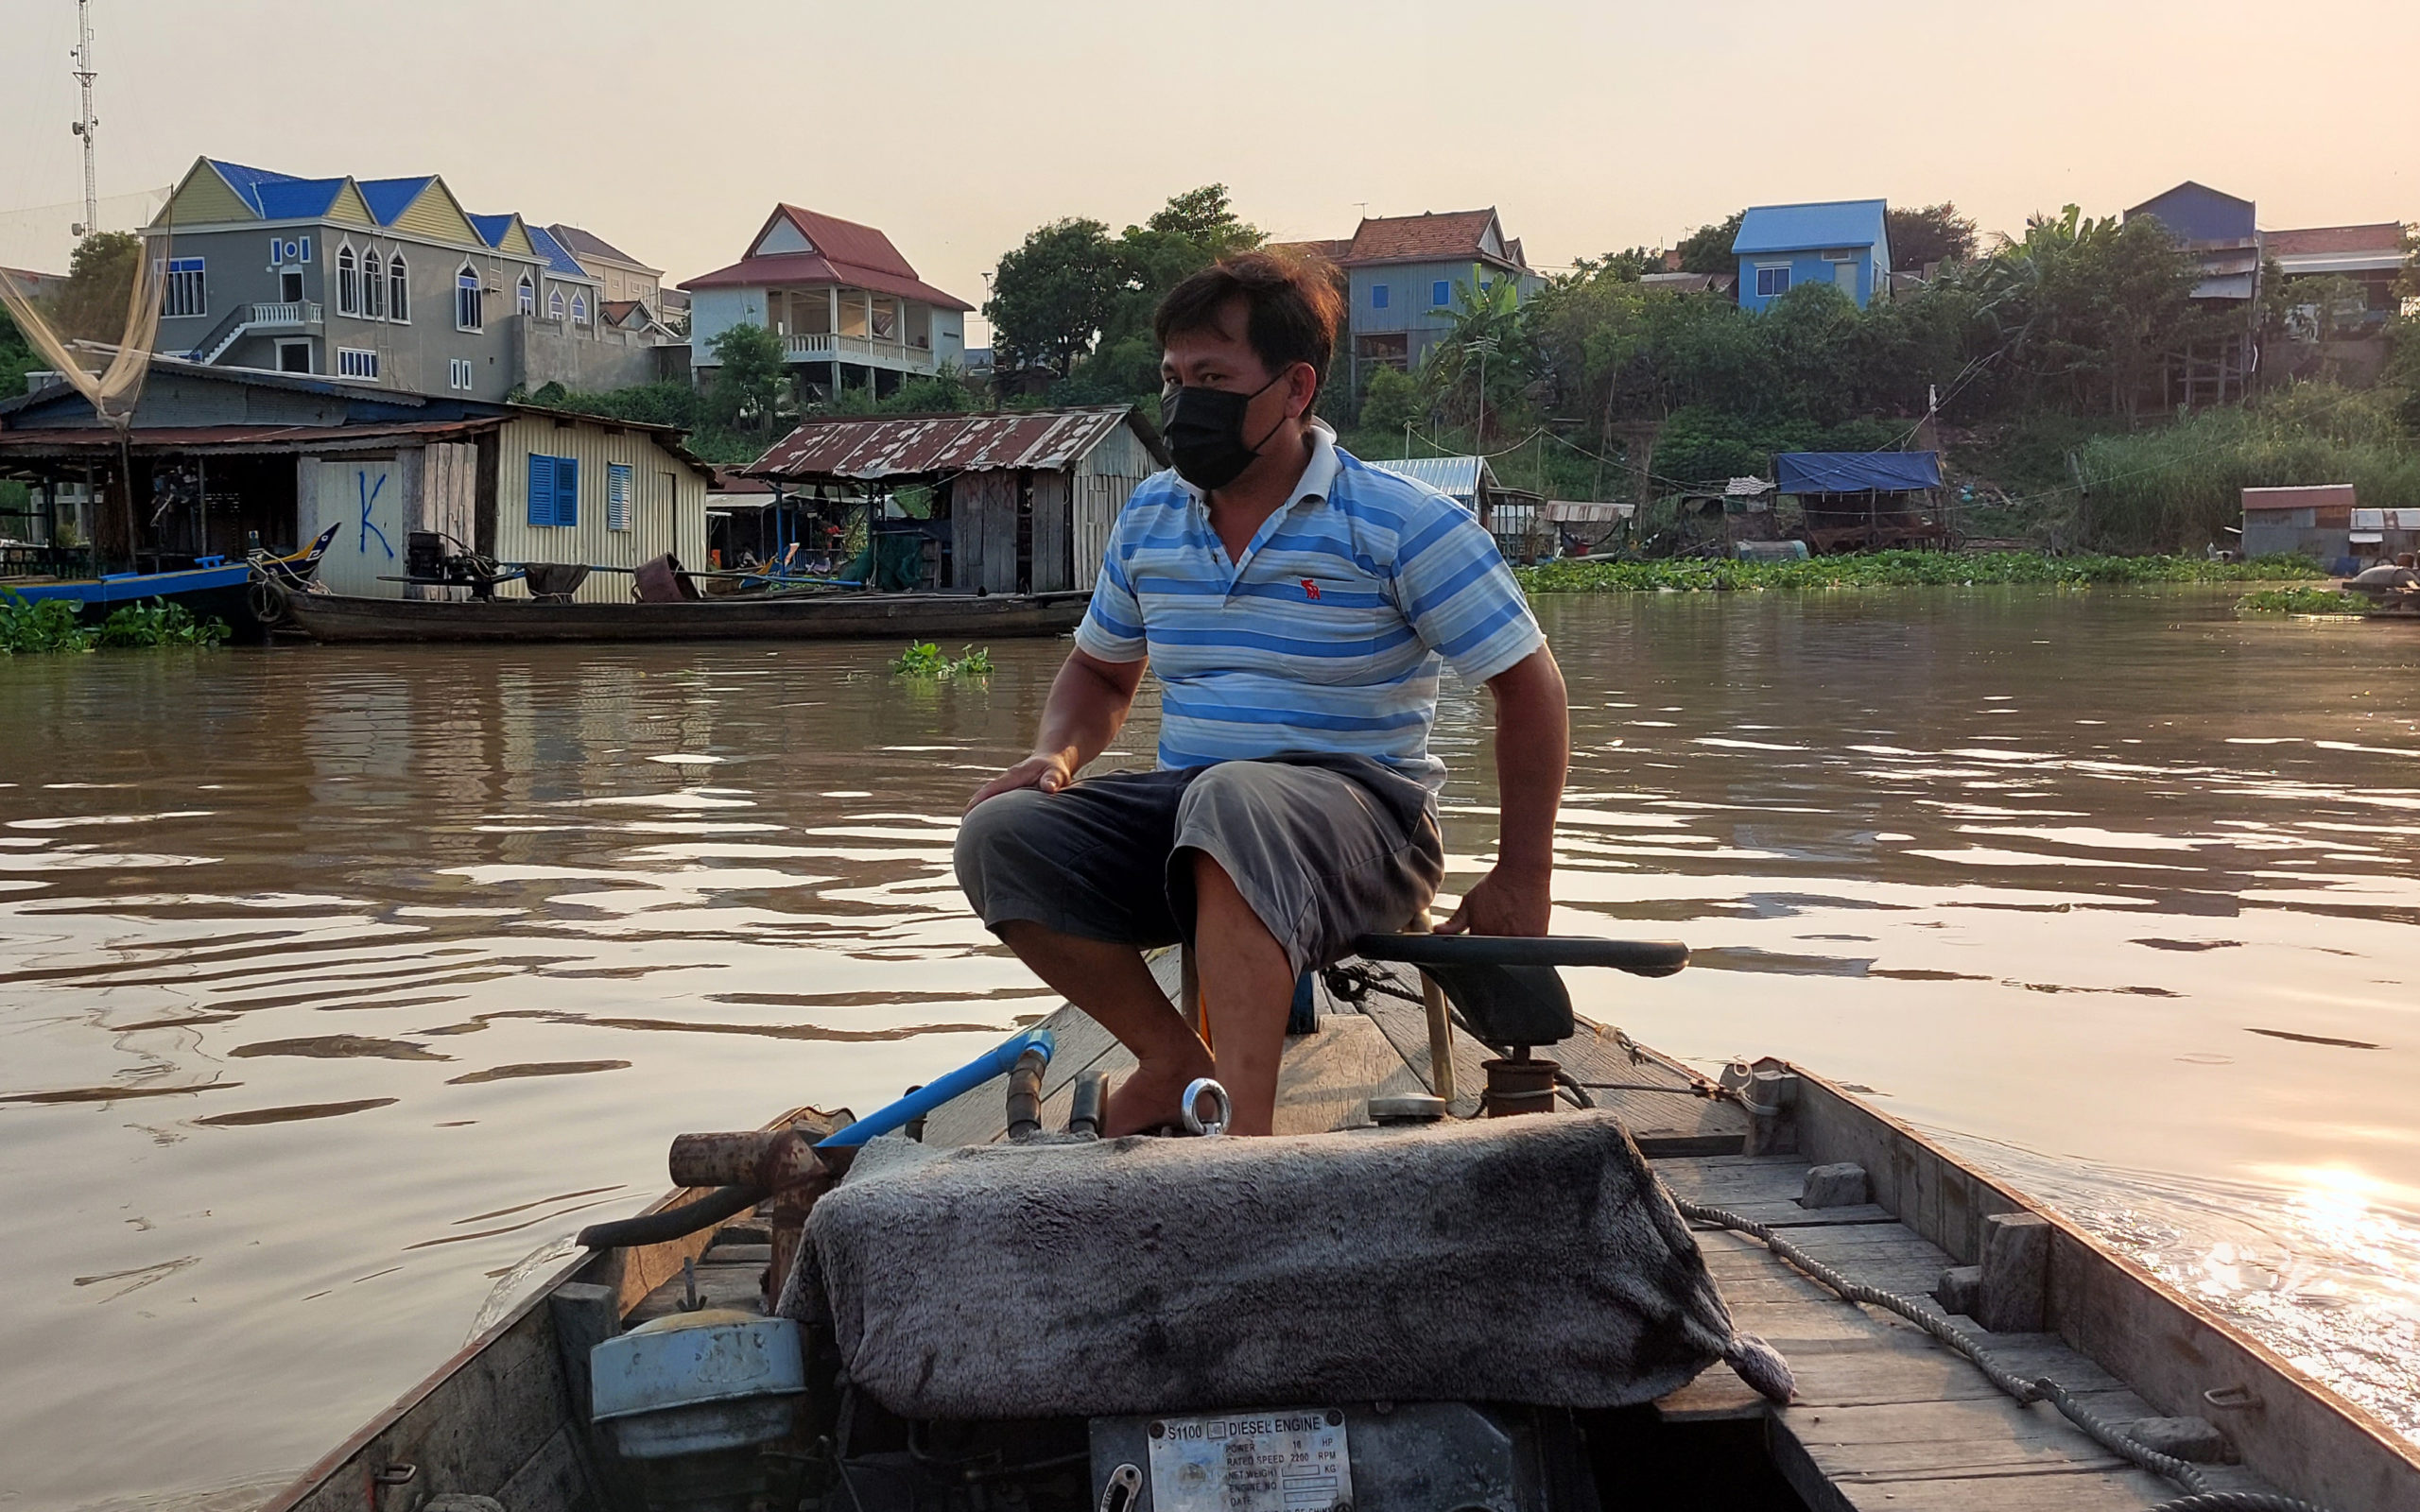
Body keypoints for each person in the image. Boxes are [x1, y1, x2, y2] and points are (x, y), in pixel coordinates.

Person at [953, 251, 1568, 1136]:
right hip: (1197, 815)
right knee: (1001, 834)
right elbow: (1099, 670)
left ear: (1294, 388)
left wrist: (1521, 874)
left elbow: (1530, 688)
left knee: (1232, 797)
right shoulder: (1151, 517)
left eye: (1212, 377)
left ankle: (1243, 1144)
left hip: (1367, 829)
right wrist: (1055, 754)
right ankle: (1173, 1063)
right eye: (1172, 378)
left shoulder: (1401, 522)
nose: (1182, 403)